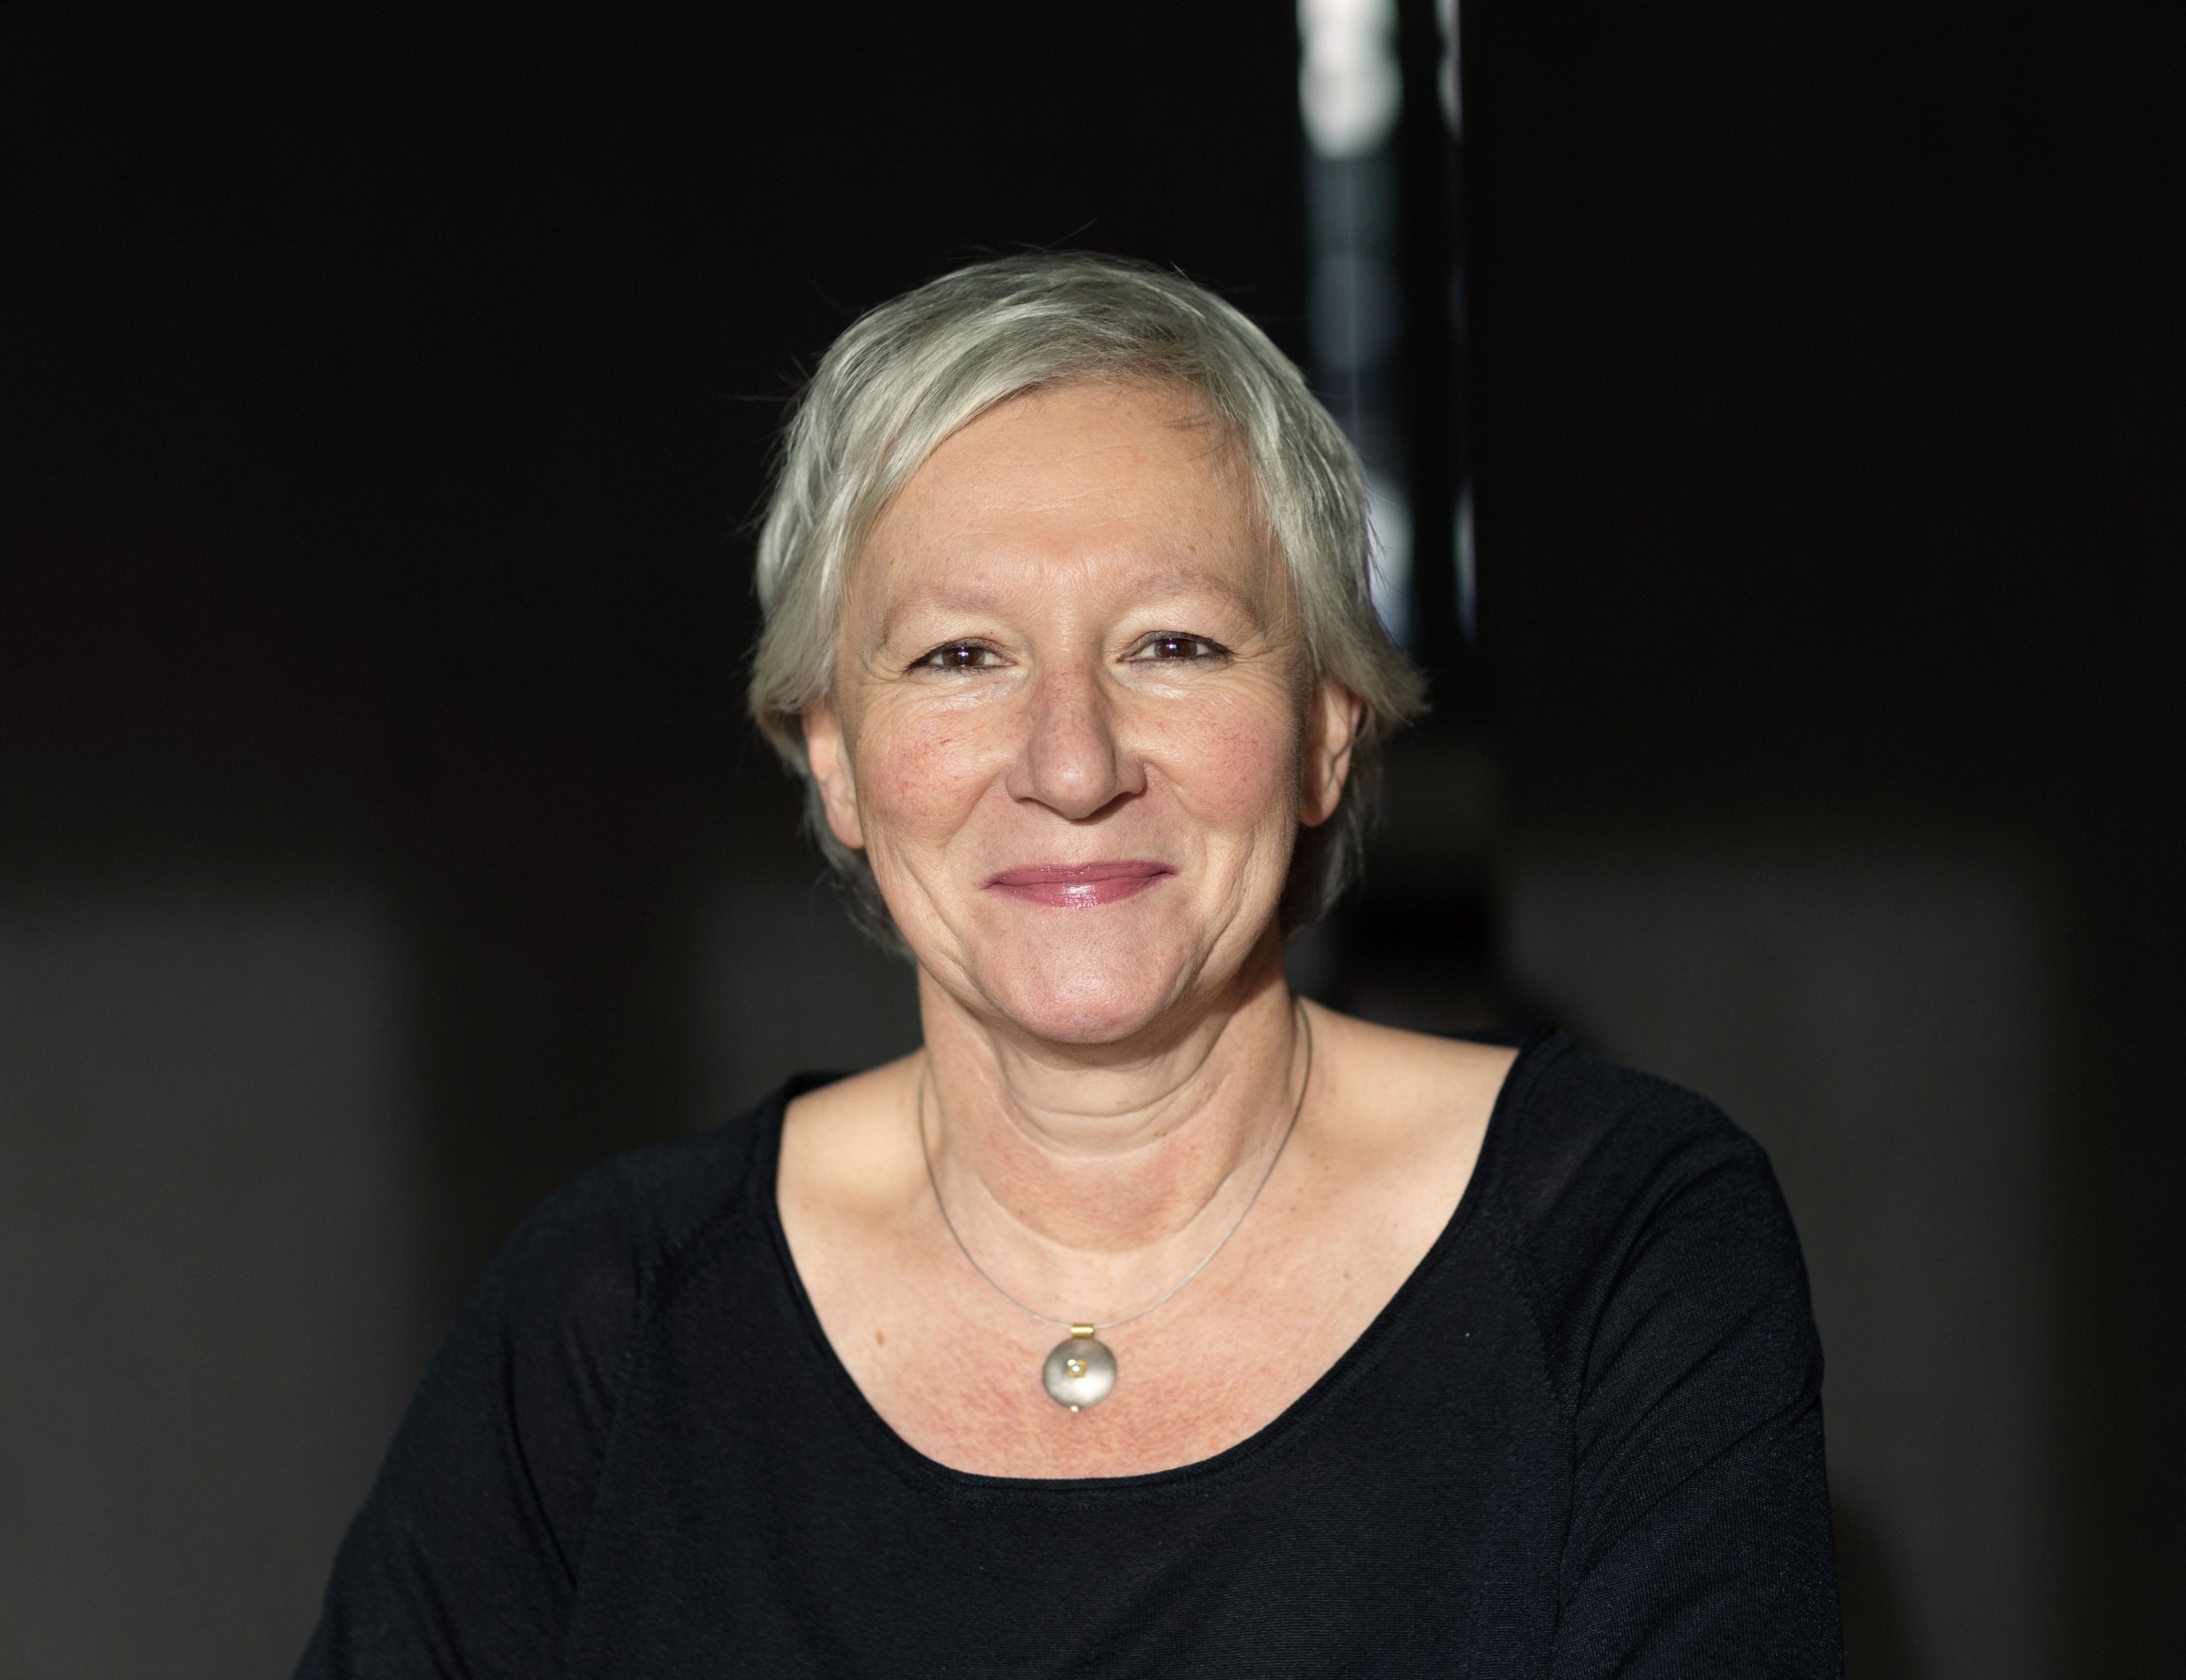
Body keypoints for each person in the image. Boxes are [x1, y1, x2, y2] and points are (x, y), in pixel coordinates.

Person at [298, 254, 1842, 1675]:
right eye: (960, 655)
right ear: (834, 756)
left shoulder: (1621, 1243)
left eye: (1172, 644)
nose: (1073, 762)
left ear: (1325, 727)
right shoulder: (613, 1309)